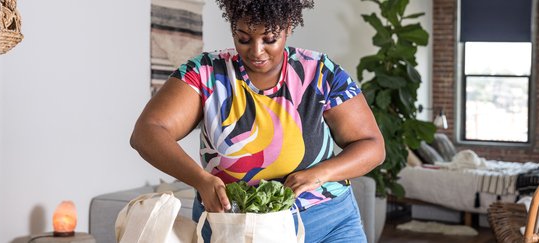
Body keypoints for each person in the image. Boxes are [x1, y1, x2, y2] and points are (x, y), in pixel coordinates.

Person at [130, 0, 384, 242]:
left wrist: (320, 174)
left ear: (288, 26)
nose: (256, 51)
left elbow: (372, 145)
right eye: (243, 38)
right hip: (231, 228)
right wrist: (201, 180)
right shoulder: (205, 73)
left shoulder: (320, 73)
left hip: (325, 223)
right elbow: (146, 132)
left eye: (269, 39)